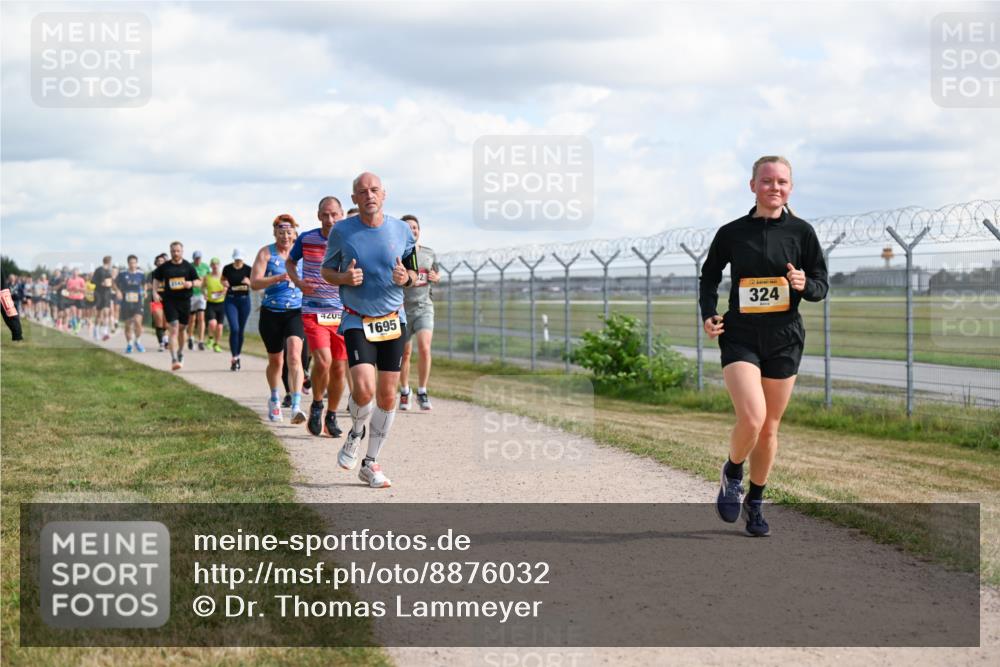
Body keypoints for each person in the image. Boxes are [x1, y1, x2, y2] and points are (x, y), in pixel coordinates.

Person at [700, 155, 828, 537]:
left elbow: (820, 285)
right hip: (740, 335)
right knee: (752, 418)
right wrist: (709, 312)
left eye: (782, 182)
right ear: (752, 185)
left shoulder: (802, 233)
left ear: (790, 188)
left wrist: (806, 285)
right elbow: (710, 276)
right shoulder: (732, 232)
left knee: (769, 429)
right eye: (767, 181)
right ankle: (733, 471)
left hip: (784, 337)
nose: (775, 187)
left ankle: (755, 503)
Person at [321, 172, 417, 489]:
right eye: (362, 191)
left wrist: (407, 278)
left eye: (374, 190)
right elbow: (327, 271)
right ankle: (355, 433)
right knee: (363, 390)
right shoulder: (342, 231)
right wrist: (344, 279)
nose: (369, 195)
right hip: (356, 318)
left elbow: (413, 271)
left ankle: (370, 461)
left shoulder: (402, 231)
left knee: (388, 395)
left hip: (393, 318)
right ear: (354, 199)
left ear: (384, 194)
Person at [288, 195, 348, 438]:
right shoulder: (307, 238)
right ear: (318, 215)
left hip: (343, 313)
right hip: (314, 310)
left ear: (342, 214)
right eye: (325, 214)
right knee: (323, 361)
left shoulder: (350, 239)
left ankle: (331, 415)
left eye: (334, 214)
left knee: (339, 368)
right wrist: (299, 283)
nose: (330, 219)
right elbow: (291, 263)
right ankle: (317, 404)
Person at [251, 214, 306, 423]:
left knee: (294, 356)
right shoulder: (266, 253)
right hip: (271, 313)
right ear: (275, 233)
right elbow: (255, 283)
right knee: (276, 361)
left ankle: (296, 405)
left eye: (289, 232)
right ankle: (274, 398)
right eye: (281, 232)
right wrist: (277, 278)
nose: (285, 236)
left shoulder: (301, 253)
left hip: (296, 311)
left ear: (294, 234)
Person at [397, 214, 440, 411]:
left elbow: (436, 274)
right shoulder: (397, 254)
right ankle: (405, 391)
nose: (412, 231)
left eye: (415, 227)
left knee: (424, 347)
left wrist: (435, 276)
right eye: (408, 228)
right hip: (403, 310)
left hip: (424, 307)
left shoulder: (429, 253)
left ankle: (422, 391)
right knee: (405, 353)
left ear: (419, 230)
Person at [151, 241, 201, 371]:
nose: (175, 253)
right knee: (173, 328)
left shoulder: (188, 267)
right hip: (169, 301)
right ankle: (174, 359)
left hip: (184, 301)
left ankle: (180, 352)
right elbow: (156, 279)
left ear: (182, 252)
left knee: (182, 329)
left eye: (178, 251)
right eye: (173, 251)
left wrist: (191, 283)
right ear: (170, 251)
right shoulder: (165, 267)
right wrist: (155, 292)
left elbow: (198, 281)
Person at [222, 249, 252, 371]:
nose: (238, 261)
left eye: (240, 259)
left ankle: (238, 356)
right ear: (233, 258)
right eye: (236, 259)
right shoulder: (227, 268)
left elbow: (255, 283)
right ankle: (234, 357)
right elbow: (222, 279)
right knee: (234, 329)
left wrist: (249, 282)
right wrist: (224, 283)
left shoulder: (248, 269)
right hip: (231, 300)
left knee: (240, 331)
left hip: (244, 301)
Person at [116, 254, 146, 352]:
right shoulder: (122, 274)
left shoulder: (141, 274)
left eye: (134, 263)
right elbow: (114, 283)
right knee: (128, 324)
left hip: (137, 301)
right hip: (126, 302)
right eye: (131, 263)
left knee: (138, 322)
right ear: (128, 263)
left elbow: (145, 284)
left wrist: (145, 291)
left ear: (137, 263)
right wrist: (118, 291)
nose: (133, 265)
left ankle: (137, 341)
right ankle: (129, 344)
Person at [187, 251, 210, 351]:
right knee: (192, 319)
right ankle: (190, 337)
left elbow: (208, 280)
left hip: (201, 294)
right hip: (191, 295)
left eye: (199, 258)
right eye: (196, 258)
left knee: (201, 318)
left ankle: (201, 341)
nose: (198, 260)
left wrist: (207, 292)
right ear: (193, 258)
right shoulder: (189, 266)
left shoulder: (205, 267)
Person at [203, 257, 226, 353]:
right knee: (212, 323)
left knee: (220, 327)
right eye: (213, 264)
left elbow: (226, 287)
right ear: (211, 265)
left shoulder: (223, 277)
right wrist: (204, 294)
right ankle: (210, 338)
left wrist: (223, 292)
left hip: (221, 303)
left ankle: (216, 344)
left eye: (216, 264)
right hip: (211, 303)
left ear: (219, 265)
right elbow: (203, 287)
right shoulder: (207, 277)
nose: (215, 266)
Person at [92, 255, 114, 341]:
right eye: (109, 261)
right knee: (99, 314)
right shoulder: (99, 270)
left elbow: (112, 282)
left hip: (107, 294)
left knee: (106, 312)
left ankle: (105, 332)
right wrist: (101, 283)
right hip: (99, 294)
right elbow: (92, 281)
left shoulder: (109, 271)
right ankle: (96, 331)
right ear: (107, 261)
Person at [150, 253, 169, 350]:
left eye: (162, 261)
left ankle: (165, 340)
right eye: (158, 261)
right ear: (156, 263)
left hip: (167, 300)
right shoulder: (153, 274)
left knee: (166, 323)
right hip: (156, 300)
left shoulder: (169, 273)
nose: (160, 263)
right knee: (159, 321)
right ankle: (161, 343)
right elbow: (147, 285)